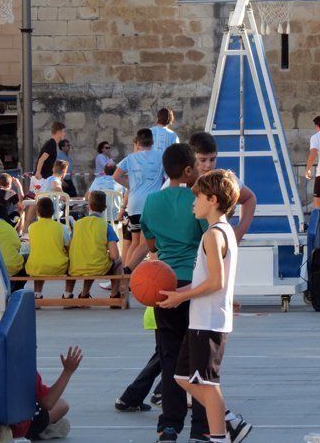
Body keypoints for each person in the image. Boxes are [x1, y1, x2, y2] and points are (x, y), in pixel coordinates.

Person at [160, 169, 249, 443]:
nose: (193, 203)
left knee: (207, 386)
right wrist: (177, 291)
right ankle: (230, 420)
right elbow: (206, 280)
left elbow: (215, 283)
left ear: (212, 199)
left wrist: (181, 298)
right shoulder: (223, 231)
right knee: (182, 377)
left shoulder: (213, 235)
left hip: (208, 322)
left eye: (196, 197)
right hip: (201, 320)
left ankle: (221, 436)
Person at [138, 143, 209, 442]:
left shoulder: (152, 201)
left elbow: (151, 244)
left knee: (169, 357)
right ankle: (202, 427)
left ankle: (169, 424)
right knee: (198, 359)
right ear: (189, 169)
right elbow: (208, 237)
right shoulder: (197, 200)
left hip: (162, 285)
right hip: (193, 284)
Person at [188, 132, 257, 242]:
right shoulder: (181, 180)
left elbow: (250, 198)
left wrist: (239, 232)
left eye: (212, 159)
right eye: (203, 160)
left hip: (217, 241)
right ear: (192, 157)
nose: (208, 165)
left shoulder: (223, 181)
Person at [113, 128, 164, 268]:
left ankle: (126, 277)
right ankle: (153, 275)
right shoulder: (160, 157)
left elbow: (116, 176)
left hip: (134, 204)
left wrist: (131, 185)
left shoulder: (130, 158)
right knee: (150, 243)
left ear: (138, 142)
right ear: (152, 141)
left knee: (135, 242)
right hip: (152, 204)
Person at [10, 346, 83, 440]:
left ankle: (46, 427)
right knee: (62, 405)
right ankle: (45, 429)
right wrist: (67, 372)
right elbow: (48, 402)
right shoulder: (23, 368)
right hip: (17, 430)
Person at [65, 191, 122, 299]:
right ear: (105, 207)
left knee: (89, 259)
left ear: (89, 206)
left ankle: (72, 295)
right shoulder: (106, 226)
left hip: (75, 268)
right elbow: (115, 255)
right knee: (118, 262)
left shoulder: (77, 224)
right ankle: (115, 295)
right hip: (98, 268)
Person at [25, 197, 71, 300]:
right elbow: (68, 248)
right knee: (73, 263)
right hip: (58, 267)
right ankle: (68, 294)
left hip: (36, 267)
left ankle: (37, 294)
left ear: (37, 212)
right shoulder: (61, 227)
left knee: (39, 262)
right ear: (53, 211)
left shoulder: (31, 227)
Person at [0, 203, 25, 292]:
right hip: (11, 269)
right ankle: (16, 290)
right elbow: (18, 247)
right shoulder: (11, 228)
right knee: (25, 262)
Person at [34, 122, 67, 190]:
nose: (65, 133)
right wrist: (38, 172)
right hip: (42, 179)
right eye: (63, 131)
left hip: (45, 178)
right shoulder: (51, 144)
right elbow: (42, 159)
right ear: (58, 132)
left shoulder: (53, 144)